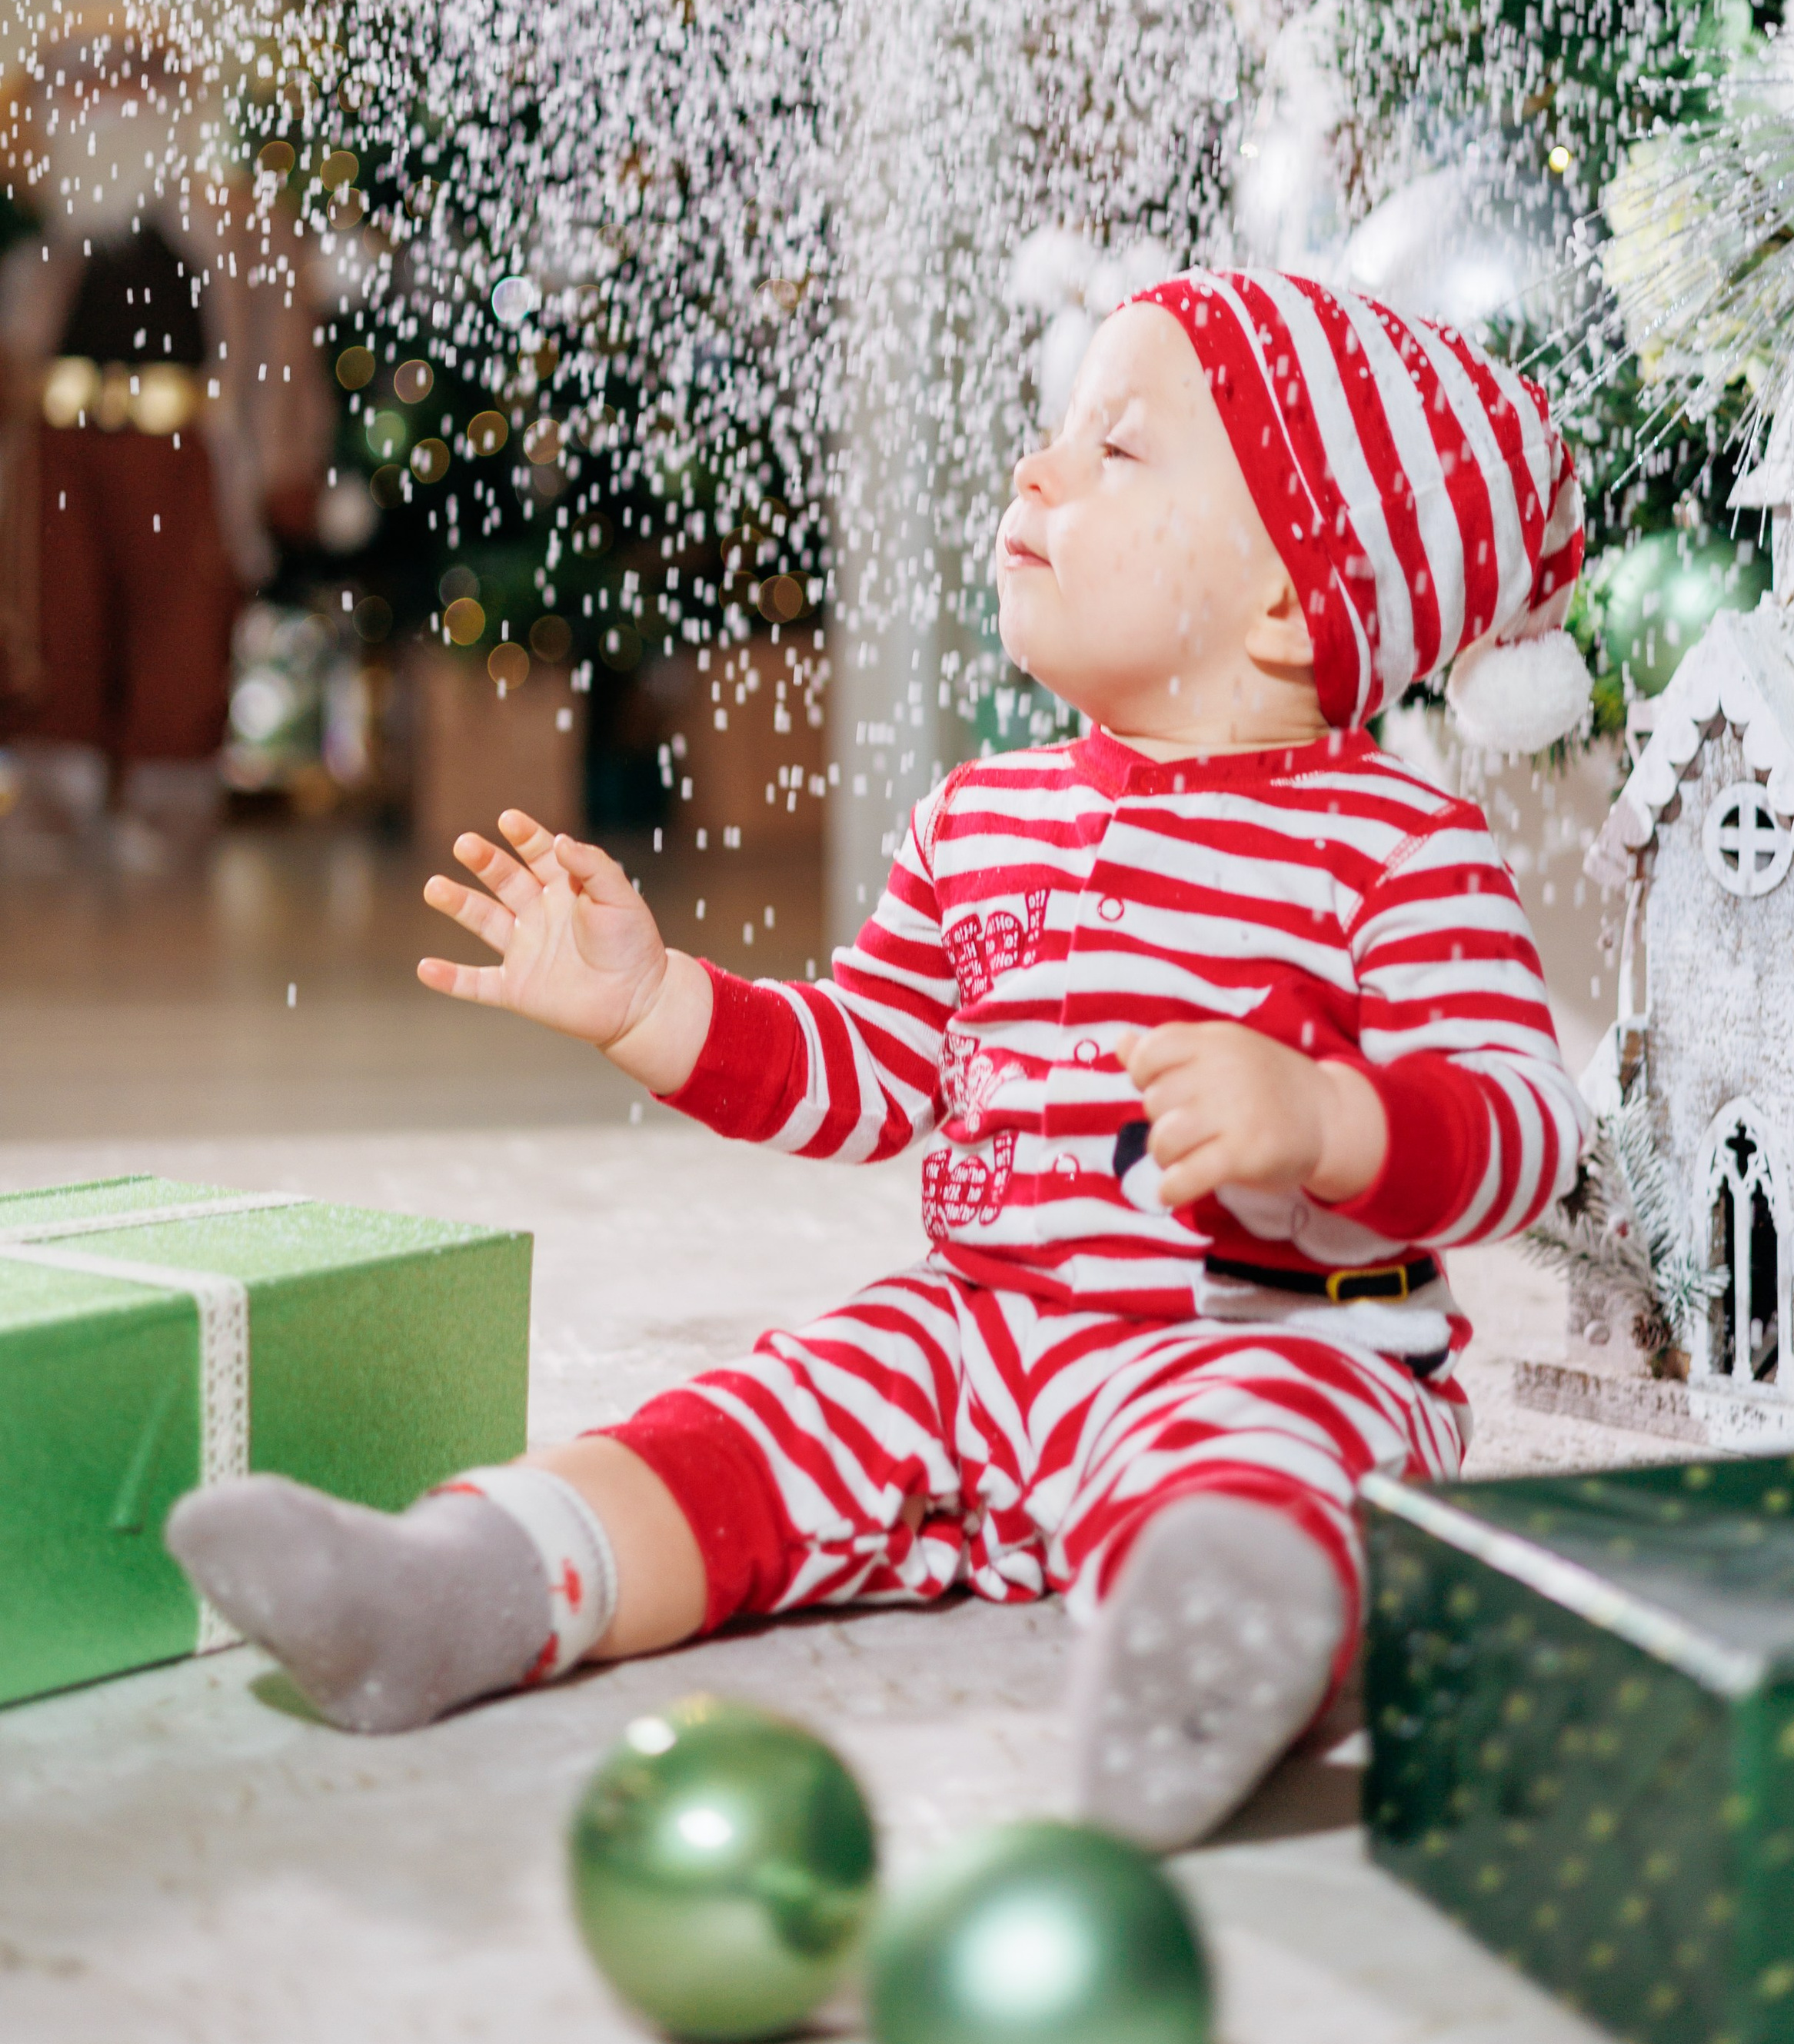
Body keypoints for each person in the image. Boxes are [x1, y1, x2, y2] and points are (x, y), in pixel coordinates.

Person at [169, 271, 1591, 1849]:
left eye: (1116, 452)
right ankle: (459, 1586)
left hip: (1267, 1333)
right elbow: (863, 1063)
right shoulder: (980, 818)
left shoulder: (1393, 844)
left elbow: (1525, 1124)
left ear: (1285, 595)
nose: (1033, 473)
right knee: (757, 1420)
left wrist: (1327, 1119)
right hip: (975, 1328)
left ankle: (1210, 1671)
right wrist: (656, 1005)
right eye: (1051, 435)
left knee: (1241, 1483)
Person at [0, 15, 330, 867]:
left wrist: (290, 462)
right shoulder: (38, 236)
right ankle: (53, 795)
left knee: (183, 620)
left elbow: (285, 350)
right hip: (56, 449)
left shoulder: (234, 227)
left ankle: (170, 795)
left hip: (186, 451)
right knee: (52, 620)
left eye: (124, 84)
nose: (102, 104)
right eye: (80, 89)